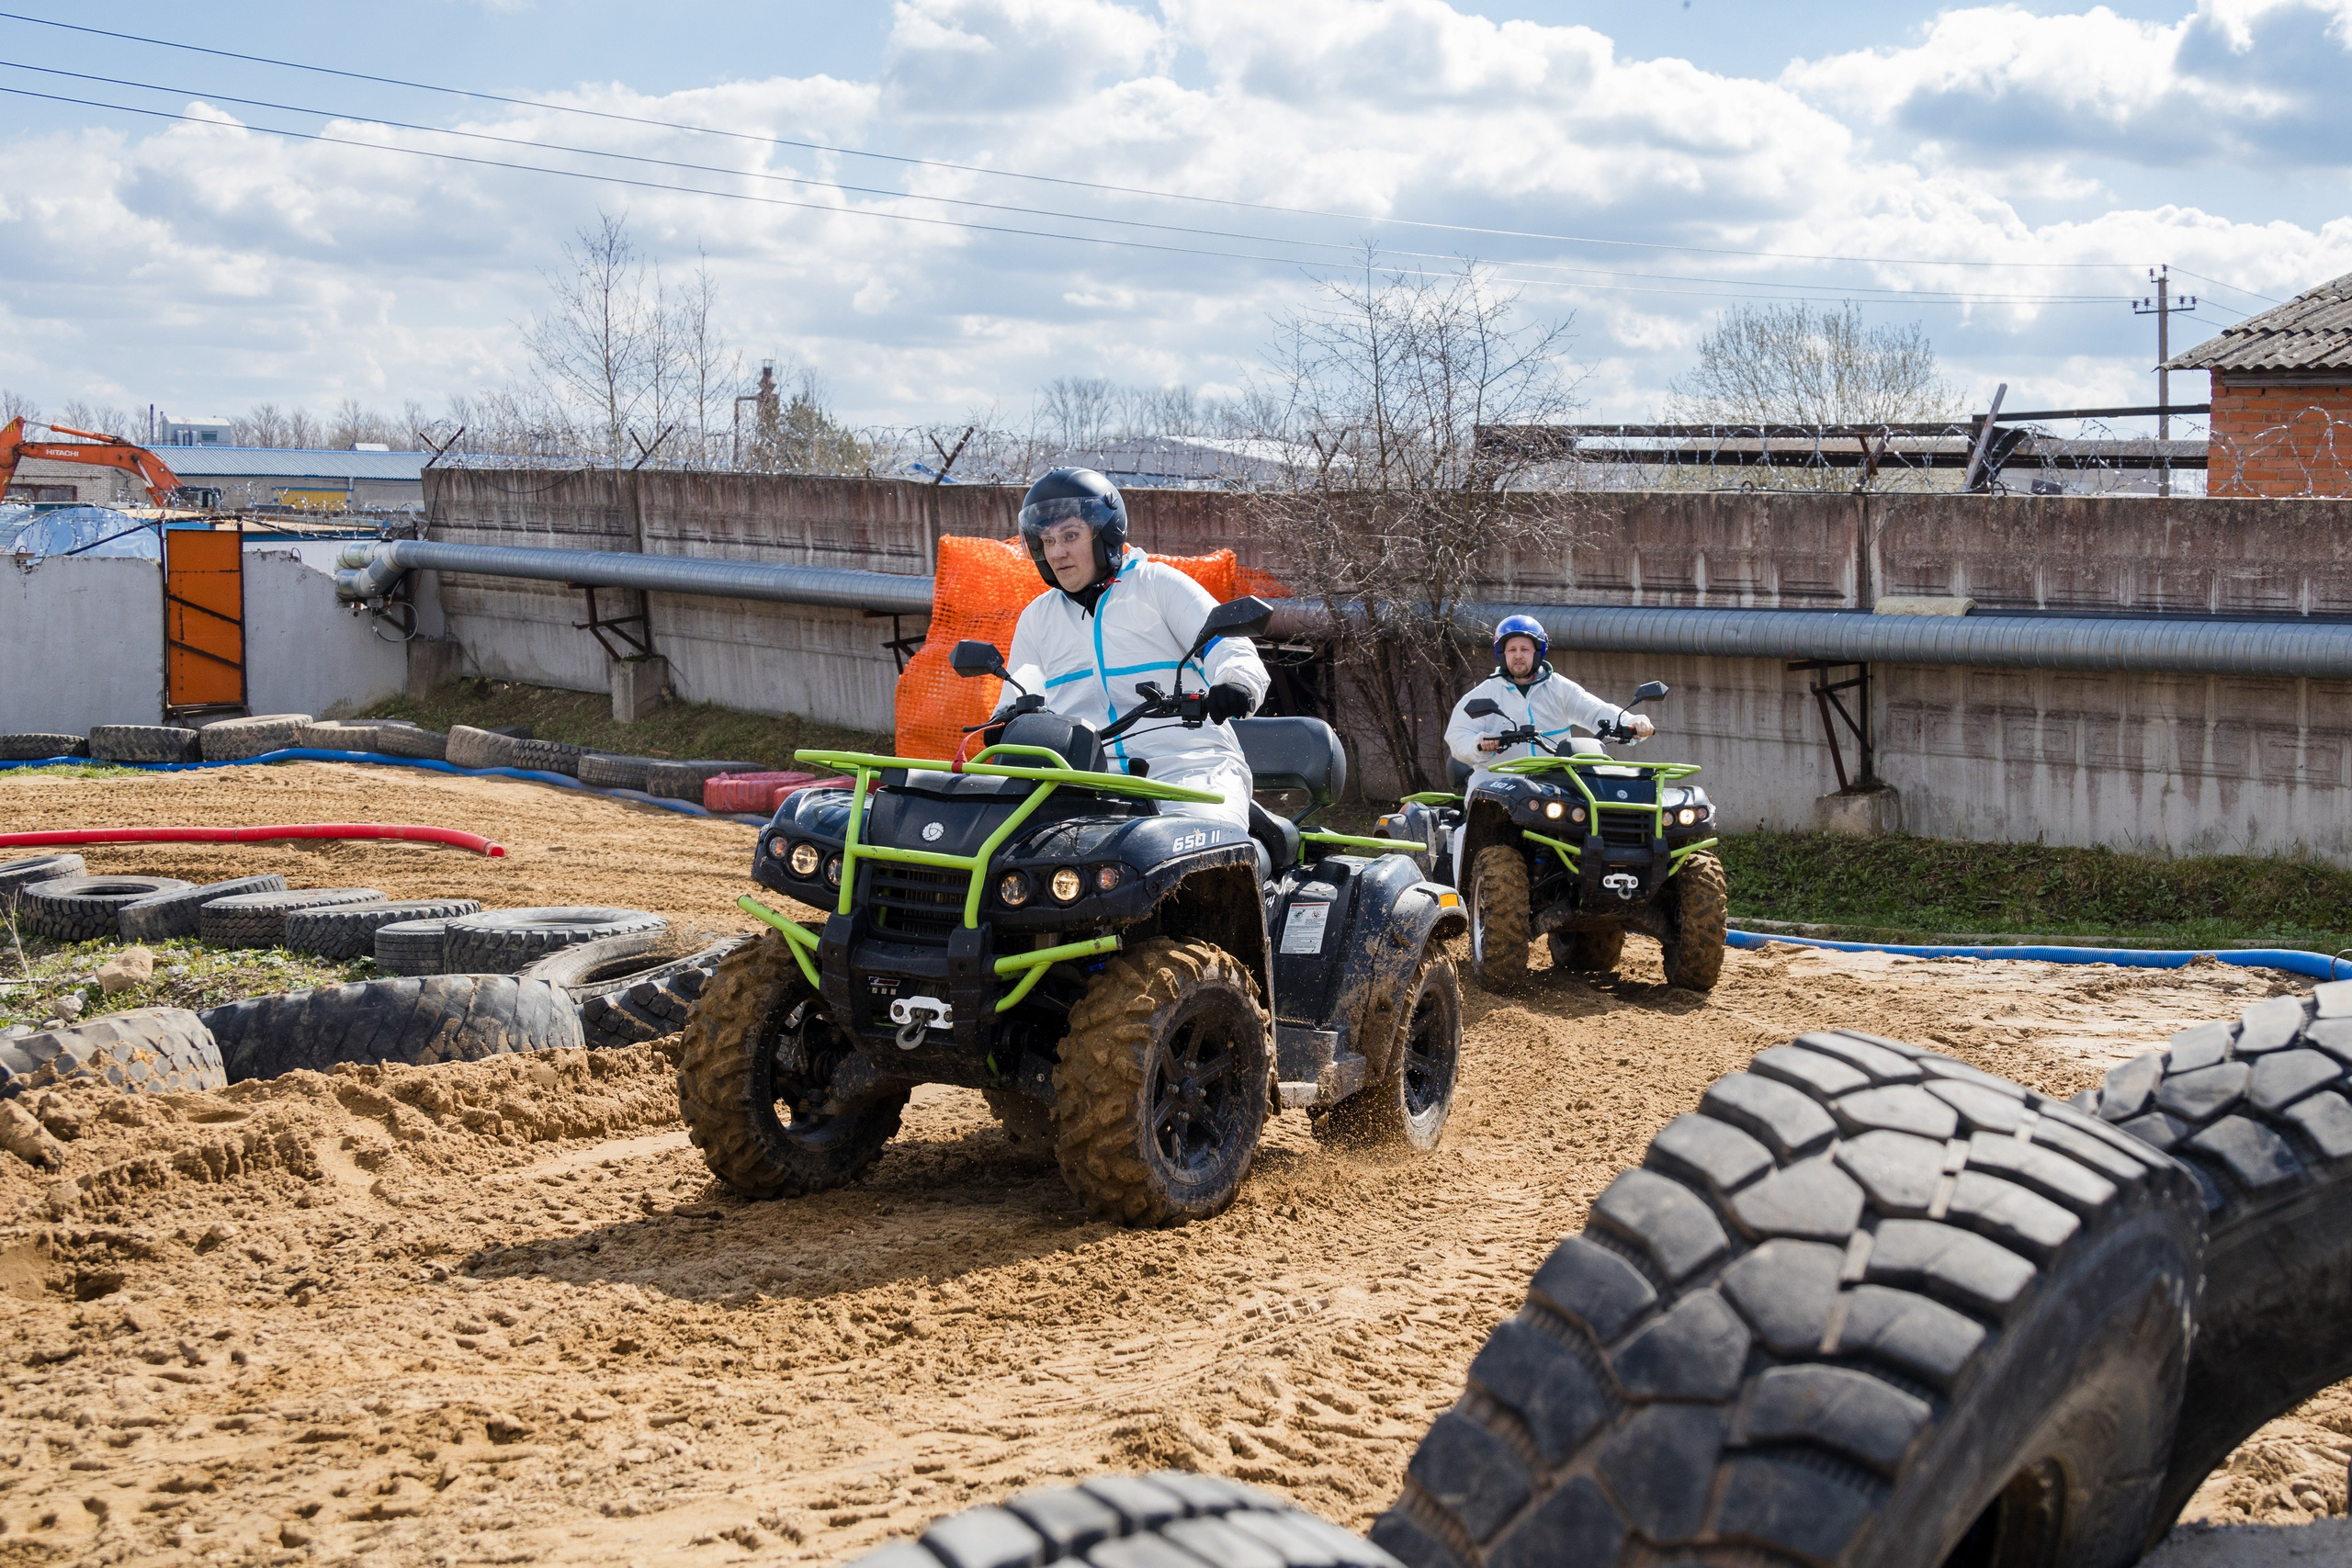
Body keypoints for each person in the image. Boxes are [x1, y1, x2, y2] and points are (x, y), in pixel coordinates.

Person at [998, 468, 1269, 838]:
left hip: (1189, 770)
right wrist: (1003, 726)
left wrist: (1236, 682)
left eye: (1070, 536)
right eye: (1047, 541)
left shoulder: (1158, 585)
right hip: (1084, 783)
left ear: (1104, 534)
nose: (1057, 553)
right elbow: (1016, 701)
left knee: (1202, 848)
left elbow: (1230, 646)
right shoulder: (1037, 618)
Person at [1443, 613, 1654, 794]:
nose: (1518, 656)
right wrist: (1480, 744)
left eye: (1524, 650)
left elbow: (1595, 711)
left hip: (1555, 784)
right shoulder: (1483, 694)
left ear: (1538, 652)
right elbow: (1457, 735)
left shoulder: (1559, 687)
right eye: (1512, 650)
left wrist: (1632, 722)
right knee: (1482, 824)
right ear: (1502, 654)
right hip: (1495, 782)